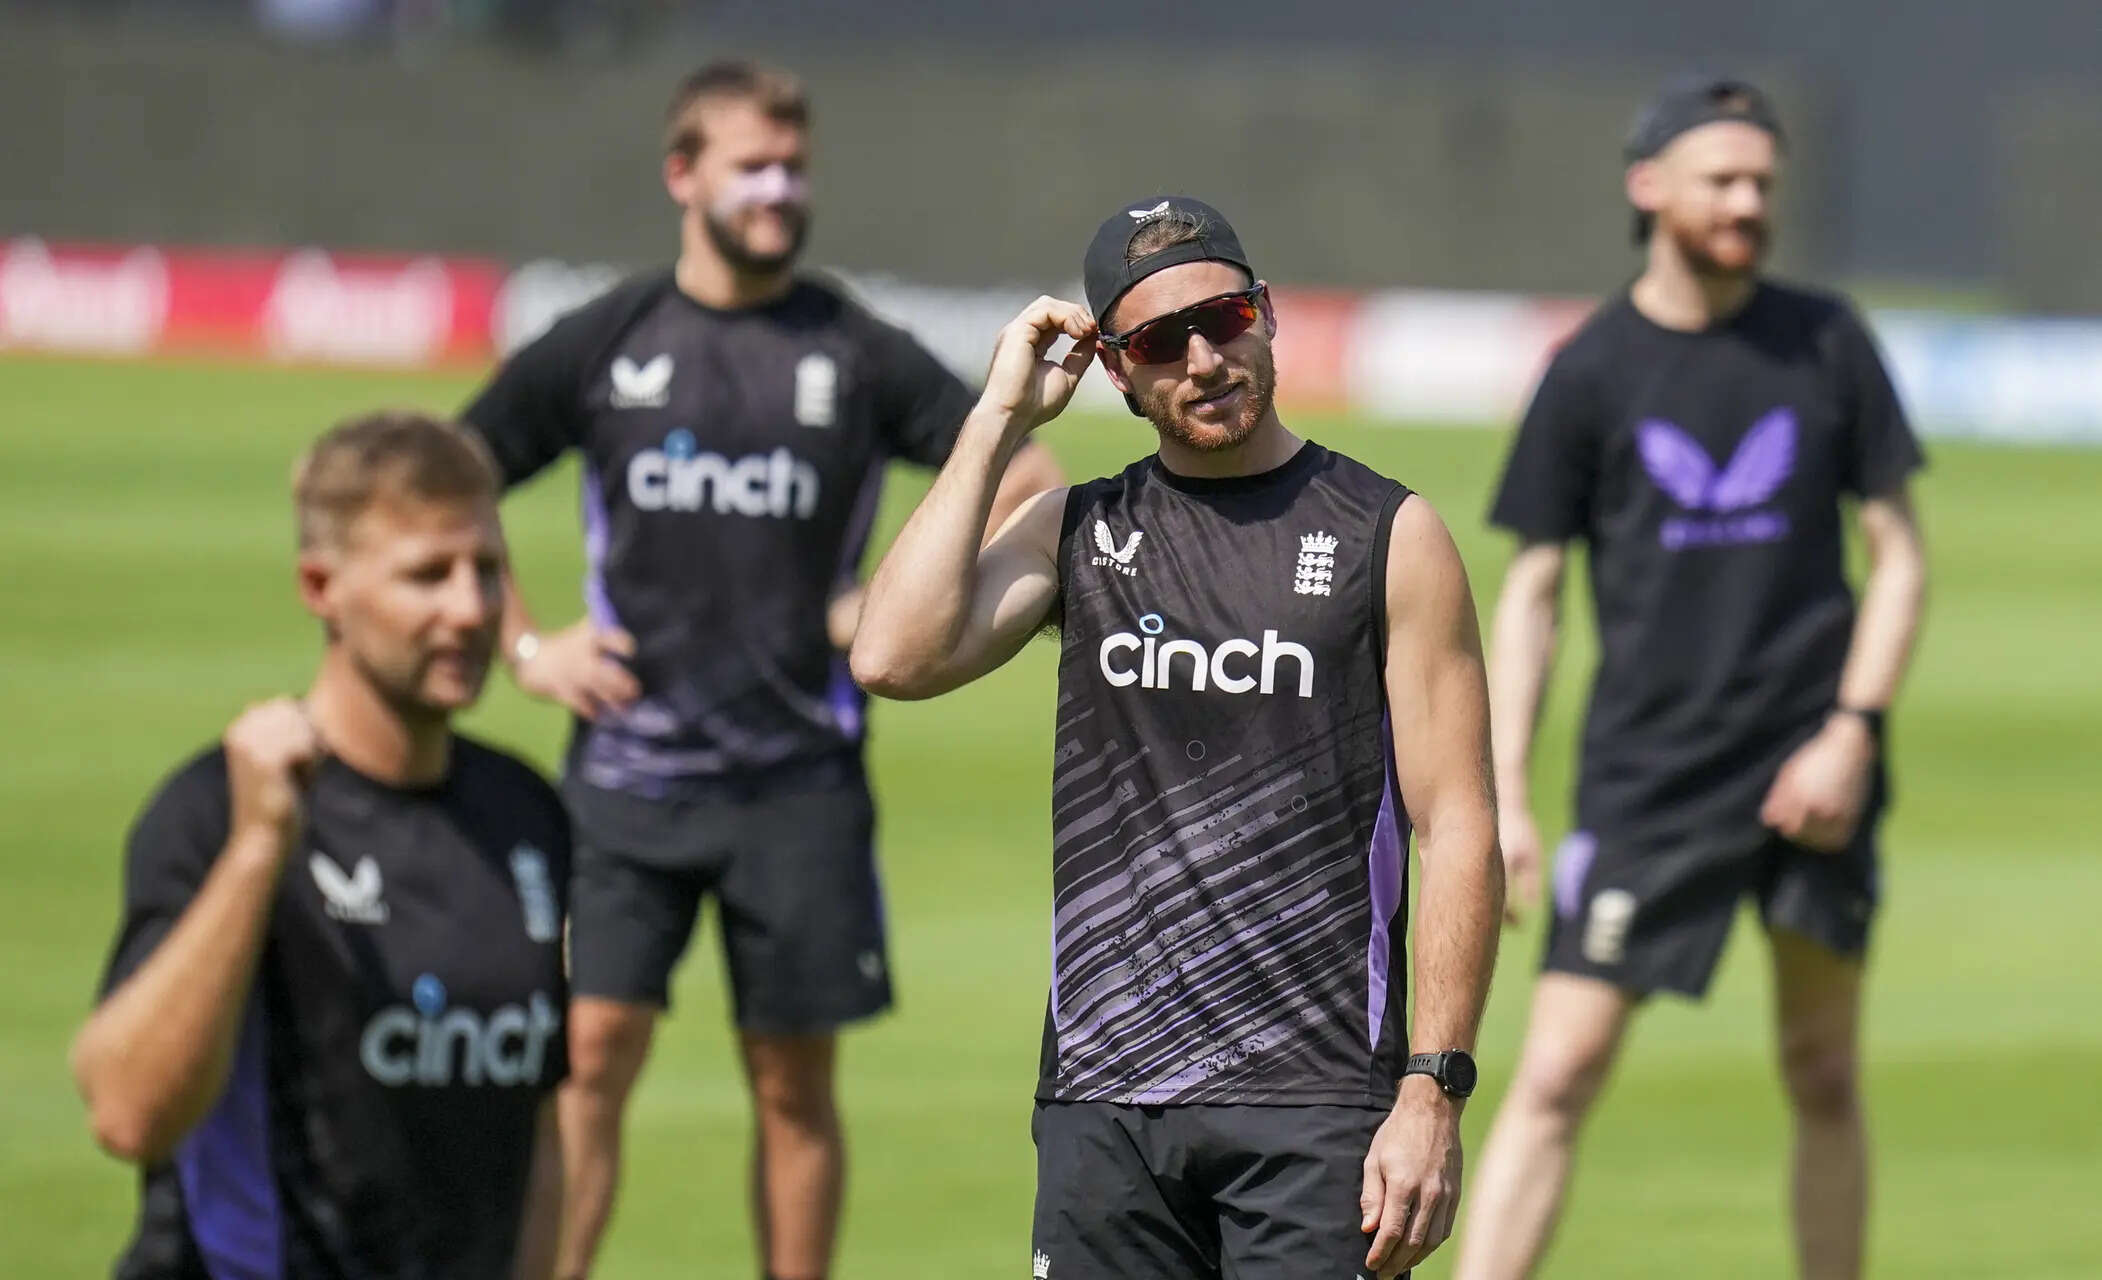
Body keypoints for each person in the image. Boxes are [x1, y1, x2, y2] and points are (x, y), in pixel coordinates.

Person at [458, 59, 1062, 1280]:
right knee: (586, 1058)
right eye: (752, 166)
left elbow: (1030, 477)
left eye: (794, 166)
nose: (779, 189)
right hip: (624, 781)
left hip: (799, 783)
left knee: (792, 1084)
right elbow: (450, 473)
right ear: (683, 175)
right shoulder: (611, 337)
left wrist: (892, 601)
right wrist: (524, 644)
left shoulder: (853, 347)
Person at [850, 196, 1504, 1280]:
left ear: (1266, 313)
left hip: (1315, 1104)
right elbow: (890, 656)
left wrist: (1432, 1092)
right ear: (1116, 370)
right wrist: (1000, 417)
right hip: (1103, 1101)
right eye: (1159, 342)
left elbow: (1459, 828)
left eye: (1225, 318)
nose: (1204, 360)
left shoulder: (1388, 534)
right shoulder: (1078, 529)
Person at [1454, 77, 1930, 1280]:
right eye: (1720, 179)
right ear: (1647, 186)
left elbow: (1898, 558)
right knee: (1556, 1069)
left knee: (1821, 1069)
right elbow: (1531, 593)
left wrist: (1850, 732)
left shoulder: (1827, 339)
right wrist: (1505, 792)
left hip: (1812, 764)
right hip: (1650, 774)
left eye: (1761, 182)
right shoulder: (1588, 369)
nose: (1746, 202)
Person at [70, 412, 570, 1279]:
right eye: (427, 575)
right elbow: (126, 1113)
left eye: (487, 570)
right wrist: (258, 849)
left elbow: (538, 1132)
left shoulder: (525, 815)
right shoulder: (220, 811)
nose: (469, 609)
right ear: (320, 586)